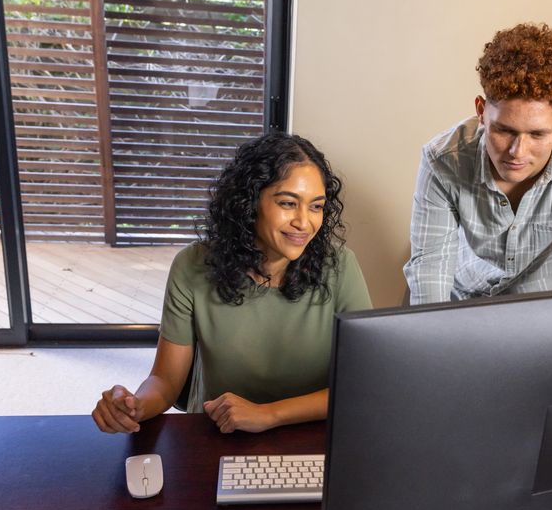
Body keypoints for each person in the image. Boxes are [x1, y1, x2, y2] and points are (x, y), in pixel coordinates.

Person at [92, 132, 371, 434]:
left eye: (316, 206)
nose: (304, 222)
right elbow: (165, 381)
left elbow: (363, 386)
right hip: (219, 433)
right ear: (249, 202)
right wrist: (133, 406)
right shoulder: (192, 265)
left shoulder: (341, 267)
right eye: (288, 203)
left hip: (312, 435)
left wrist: (269, 414)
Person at [404, 22, 552, 304]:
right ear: (482, 112)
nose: (517, 152)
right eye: (504, 130)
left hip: (545, 305)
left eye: (537, 134)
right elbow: (430, 271)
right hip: (463, 297)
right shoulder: (442, 159)